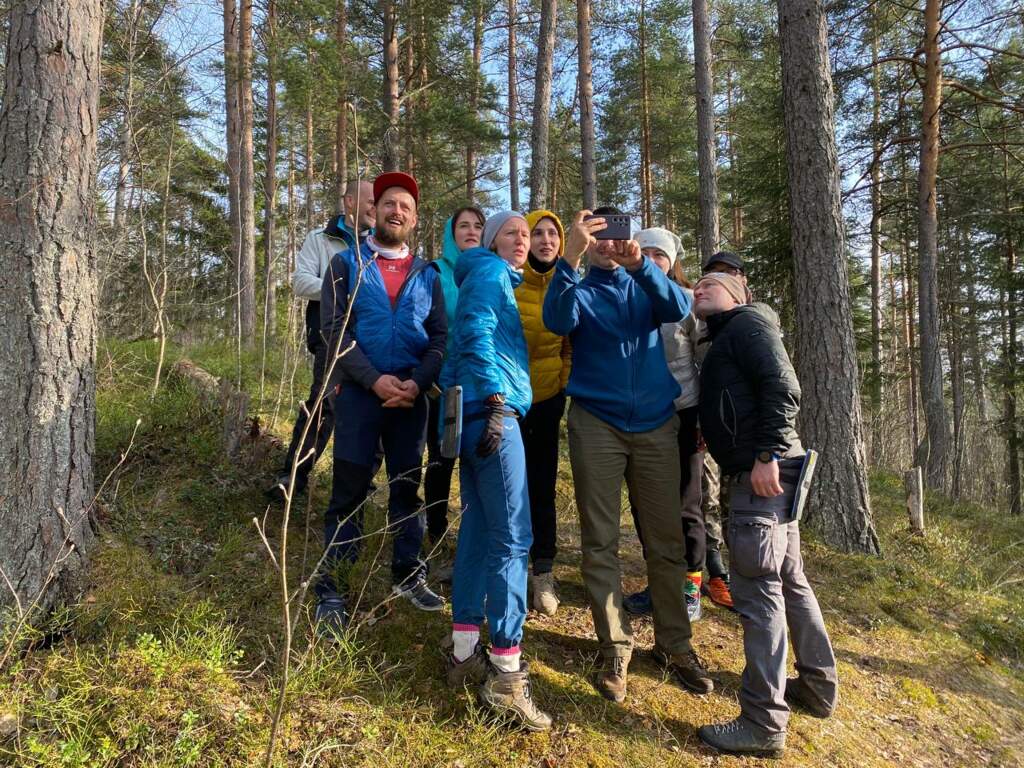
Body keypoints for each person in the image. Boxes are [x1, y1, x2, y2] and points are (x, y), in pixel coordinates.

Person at [542, 207, 713, 705]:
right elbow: (557, 318)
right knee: (600, 540)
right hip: (597, 421)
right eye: (596, 234)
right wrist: (569, 260)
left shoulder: (645, 282)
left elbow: (678, 307)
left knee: (666, 541)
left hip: (658, 422)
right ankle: (614, 645)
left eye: (615, 233)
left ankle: (675, 645)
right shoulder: (579, 284)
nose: (607, 242)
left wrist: (641, 265)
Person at [692, 271, 837, 758]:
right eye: (697, 284)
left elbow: (783, 385)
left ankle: (763, 722)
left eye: (712, 283)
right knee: (791, 580)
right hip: (769, 468)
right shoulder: (728, 335)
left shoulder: (749, 324)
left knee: (757, 593)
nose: (700, 288)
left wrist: (767, 453)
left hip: (764, 473)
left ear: (740, 294)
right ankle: (817, 688)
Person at [315, 172, 447, 633]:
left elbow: (439, 339)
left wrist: (416, 383)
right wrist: (374, 381)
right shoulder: (346, 265)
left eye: (406, 207)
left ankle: (408, 573)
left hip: (411, 402)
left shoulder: (427, 274)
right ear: (374, 211)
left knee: (407, 488)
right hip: (358, 397)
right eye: (390, 203)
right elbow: (332, 333)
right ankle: (333, 588)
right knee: (348, 492)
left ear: (414, 219)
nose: (397, 211)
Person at [443, 211, 552, 732]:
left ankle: (464, 651)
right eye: (512, 233)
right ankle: (506, 672)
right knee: (514, 537)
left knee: (480, 531)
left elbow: (454, 352)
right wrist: (494, 397)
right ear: (491, 240)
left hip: (473, 415)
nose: (521, 241)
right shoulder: (488, 272)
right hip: (494, 414)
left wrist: (463, 403)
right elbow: (473, 331)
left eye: (525, 235)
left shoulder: (486, 274)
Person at [269, 180, 375, 500]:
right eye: (370, 201)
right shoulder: (320, 239)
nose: (375, 207)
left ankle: (362, 482)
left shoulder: (378, 244)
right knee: (323, 404)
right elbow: (301, 282)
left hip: (372, 337)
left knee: (371, 409)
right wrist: (344, 290)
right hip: (331, 333)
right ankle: (293, 477)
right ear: (350, 202)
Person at [622, 227, 707, 623]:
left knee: (687, 502)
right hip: (642, 414)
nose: (653, 260)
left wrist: (706, 417)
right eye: (647, 252)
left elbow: (705, 360)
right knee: (645, 502)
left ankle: (690, 588)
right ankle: (659, 583)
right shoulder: (627, 299)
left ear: (673, 262)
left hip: (685, 410)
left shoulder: (689, 301)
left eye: (661, 255)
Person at [424, 205, 486, 580]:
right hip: (441, 384)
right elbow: (423, 325)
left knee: (478, 462)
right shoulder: (434, 272)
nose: (471, 231)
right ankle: (435, 535)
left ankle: (475, 537)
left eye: (478, 225)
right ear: (451, 232)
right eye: (463, 225)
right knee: (441, 460)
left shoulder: (493, 271)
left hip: (481, 384)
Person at [515, 209, 571, 616]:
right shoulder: (509, 280)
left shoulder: (568, 283)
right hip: (508, 400)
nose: (546, 240)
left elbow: (572, 343)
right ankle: (507, 565)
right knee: (506, 485)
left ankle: (544, 571)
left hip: (549, 397)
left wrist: (563, 383)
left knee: (542, 485)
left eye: (553, 234)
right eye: (539, 233)